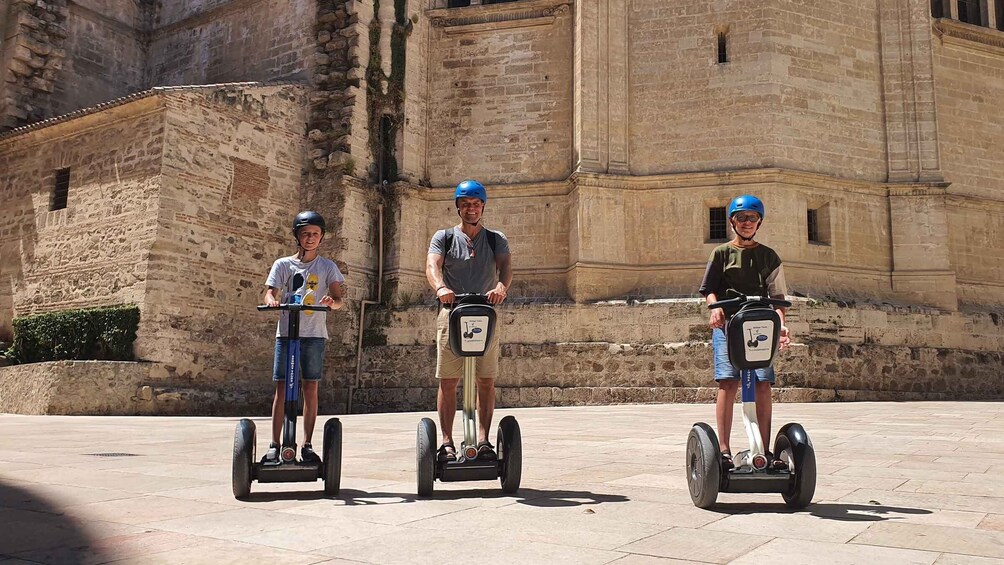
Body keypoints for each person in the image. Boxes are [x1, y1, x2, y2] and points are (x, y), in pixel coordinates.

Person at [698, 195, 791, 470]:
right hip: (729, 325)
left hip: (761, 325)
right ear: (732, 222)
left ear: (759, 221)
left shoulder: (769, 256)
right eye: (741, 218)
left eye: (752, 218)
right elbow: (709, 288)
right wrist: (714, 308)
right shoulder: (721, 253)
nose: (747, 222)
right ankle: (724, 452)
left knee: (763, 384)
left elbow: (778, 296)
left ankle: (764, 450)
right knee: (728, 382)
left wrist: (781, 324)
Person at [426, 180, 512, 462]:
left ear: (483, 206)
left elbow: (506, 267)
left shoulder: (495, 238)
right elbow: (432, 266)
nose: (471, 208)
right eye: (465, 204)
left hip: (485, 314)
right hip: (452, 313)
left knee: (486, 380)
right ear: (458, 208)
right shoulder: (444, 237)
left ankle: (484, 440)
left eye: (476, 204)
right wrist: (440, 287)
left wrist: (501, 287)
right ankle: (447, 442)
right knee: (448, 380)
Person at [262, 210, 344, 463]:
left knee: (310, 387)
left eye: (315, 235)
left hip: (314, 334)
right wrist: (272, 301)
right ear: (297, 236)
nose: (310, 238)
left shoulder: (327, 267)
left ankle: (307, 444)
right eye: (306, 234)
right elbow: (269, 292)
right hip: (287, 334)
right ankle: (275, 444)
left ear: (322, 238)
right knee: (281, 388)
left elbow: (339, 300)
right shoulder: (283, 264)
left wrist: (332, 302)